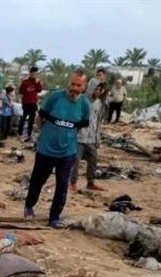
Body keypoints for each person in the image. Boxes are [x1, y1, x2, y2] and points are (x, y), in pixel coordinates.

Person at [24, 69, 91, 228]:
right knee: (37, 181)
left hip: (67, 152)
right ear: (69, 82)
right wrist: (45, 135)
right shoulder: (55, 97)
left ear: (84, 86)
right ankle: (29, 205)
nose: (75, 88)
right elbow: (40, 117)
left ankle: (54, 217)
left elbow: (80, 126)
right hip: (45, 150)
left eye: (78, 85)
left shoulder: (85, 104)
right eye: (73, 84)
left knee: (62, 186)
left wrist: (67, 136)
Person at [70, 81, 106, 191]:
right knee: (75, 161)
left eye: (99, 90)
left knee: (93, 161)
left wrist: (97, 138)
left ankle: (91, 182)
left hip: (91, 139)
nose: (98, 91)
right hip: (79, 137)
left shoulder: (99, 103)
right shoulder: (81, 100)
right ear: (91, 88)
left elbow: (98, 121)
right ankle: (72, 183)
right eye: (96, 89)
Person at [18, 66, 43, 140]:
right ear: (30, 73)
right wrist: (26, 90)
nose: (34, 75)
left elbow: (39, 90)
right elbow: (20, 91)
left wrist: (37, 83)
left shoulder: (37, 81)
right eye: (33, 73)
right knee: (23, 118)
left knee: (31, 120)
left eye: (36, 74)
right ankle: (20, 133)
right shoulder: (25, 81)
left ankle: (29, 134)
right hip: (26, 102)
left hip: (33, 103)